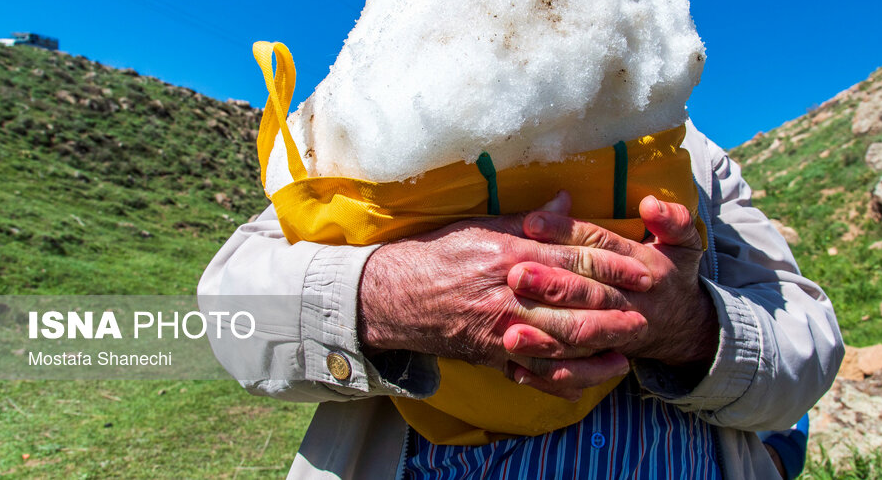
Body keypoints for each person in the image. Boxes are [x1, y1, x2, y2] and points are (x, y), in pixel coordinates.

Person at [200, 120, 843, 479]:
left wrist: (689, 326)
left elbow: (806, 340)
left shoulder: (693, 157)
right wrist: (389, 292)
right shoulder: (369, 123)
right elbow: (230, 308)